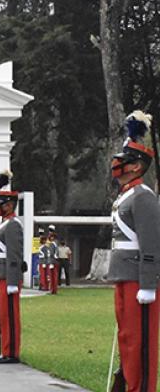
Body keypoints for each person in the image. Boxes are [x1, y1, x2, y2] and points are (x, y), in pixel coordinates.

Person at [107, 110, 160, 392]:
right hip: (124, 274)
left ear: (138, 166)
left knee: (141, 341)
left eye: (125, 160)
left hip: (139, 278)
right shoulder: (127, 195)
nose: (118, 164)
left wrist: (149, 284)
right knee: (128, 337)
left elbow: (151, 243)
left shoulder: (144, 197)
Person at [0, 170, 24, 364]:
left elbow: (14, 255)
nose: (0, 208)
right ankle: (5, 348)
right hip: (0, 274)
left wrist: (12, 282)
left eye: (3, 205)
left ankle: (11, 352)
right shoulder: (5, 224)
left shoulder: (13, 225)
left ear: (10, 205)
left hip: (7, 276)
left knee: (9, 315)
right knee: (3, 314)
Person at [47, 225, 59, 294]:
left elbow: (51, 252)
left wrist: (51, 261)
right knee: (53, 277)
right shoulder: (55, 242)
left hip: (52, 261)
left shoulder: (53, 243)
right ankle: (53, 290)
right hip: (53, 261)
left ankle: (53, 290)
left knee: (52, 277)